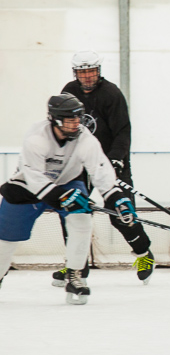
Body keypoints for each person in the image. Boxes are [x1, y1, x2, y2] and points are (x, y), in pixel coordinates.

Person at [0, 94, 138, 304]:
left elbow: (100, 170)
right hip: (28, 186)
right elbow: (34, 176)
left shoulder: (85, 139)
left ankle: (75, 276)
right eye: (70, 120)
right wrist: (62, 197)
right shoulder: (36, 138)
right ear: (55, 120)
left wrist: (117, 198)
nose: (76, 124)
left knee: (82, 220)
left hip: (68, 181)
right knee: (6, 240)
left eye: (78, 119)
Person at [60, 50, 154, 284]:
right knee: (72, 212)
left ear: (98, 71)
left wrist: (116, 159)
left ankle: (144, 253)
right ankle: (76, 266)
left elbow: (123, 131)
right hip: (80, 163)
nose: (87, 76)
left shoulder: (111, 93)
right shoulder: (69, 92)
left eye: (91, 71)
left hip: (109, 161)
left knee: (121, 214)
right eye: (82, 72)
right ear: (75, 73)